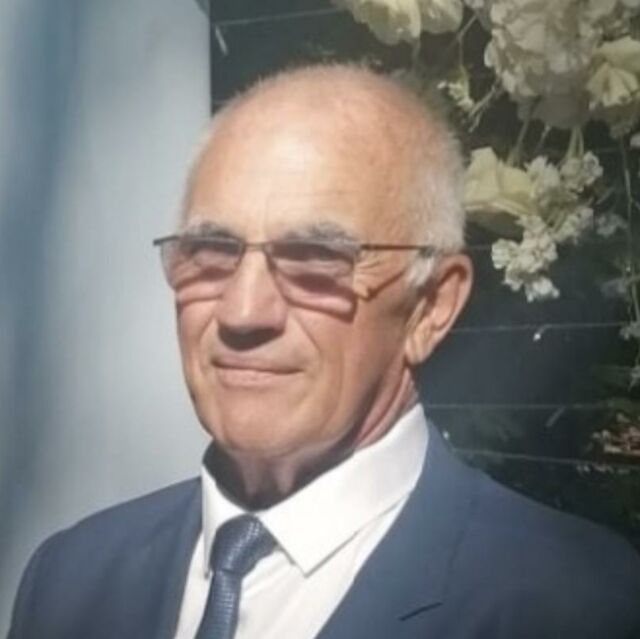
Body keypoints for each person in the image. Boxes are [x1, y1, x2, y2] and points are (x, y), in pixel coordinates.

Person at [7, 64, 640, 639]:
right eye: (213, 252)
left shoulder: (569, 607)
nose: (242, 312)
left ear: (431, 306)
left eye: (315, 259)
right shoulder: (72, 579)